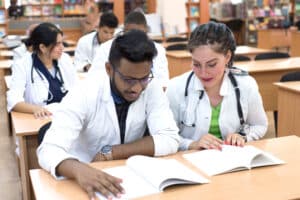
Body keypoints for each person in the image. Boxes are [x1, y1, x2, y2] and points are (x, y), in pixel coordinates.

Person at [37, 29, 180, 199]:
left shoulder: (152, 87)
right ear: (109, 69)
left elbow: (170, 139)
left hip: (130, 179)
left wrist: (111, 151)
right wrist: (79, 169)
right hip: (84, 178)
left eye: (143, 78)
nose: (136, 88)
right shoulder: (84, 92)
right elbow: (49, 149)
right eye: (128, 79)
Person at [166, 22, 268, 151]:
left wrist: (242, 136)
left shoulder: (246, 85)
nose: (203, 73)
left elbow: (259, 125)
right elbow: (165, 136)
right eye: (196, 64)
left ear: (227, 57)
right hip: (190, 161)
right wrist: (192, 144)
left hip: (232, 162)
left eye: (211, 64)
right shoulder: (176, 88)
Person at [6, 22, 78, 119]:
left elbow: (78, 89)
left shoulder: (65, 59)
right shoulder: (22, 65)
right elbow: (13, 101)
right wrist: (35, 109)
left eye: (62, 42)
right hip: (41, 120)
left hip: (68, 116)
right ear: (42, 47)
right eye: (57, 44)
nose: (62, 48)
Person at [89, 11, 169, 89]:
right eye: (131, 34)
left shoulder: (158, 50)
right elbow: (94, 78)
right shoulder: (106, 48)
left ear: (146, 32)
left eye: (140, 35)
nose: (135, 40)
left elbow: (163, 83)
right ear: (124, 31)